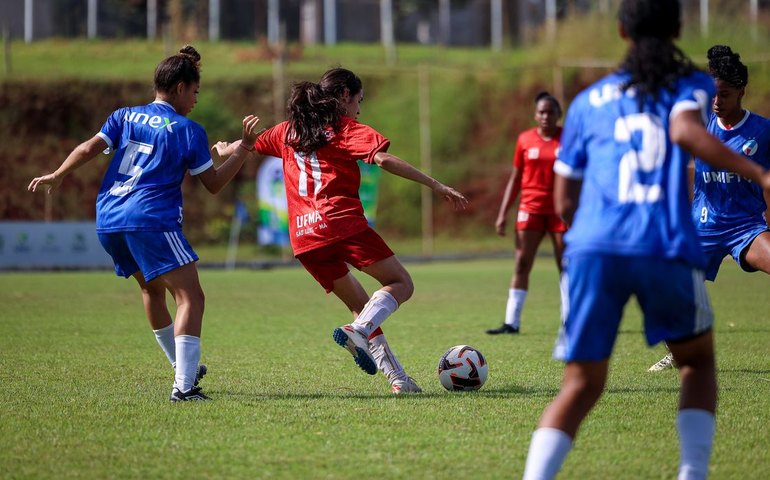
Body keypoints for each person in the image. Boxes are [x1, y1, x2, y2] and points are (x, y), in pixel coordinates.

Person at [521, 1, 770, 479]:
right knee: (696, 364)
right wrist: (757, 171)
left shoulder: (588, 101)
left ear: (620, 31)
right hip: (662, 242)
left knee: (579, 384)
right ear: (678, 28)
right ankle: (691, 473)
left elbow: (564, 201)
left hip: (594, 248)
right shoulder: (689, 86)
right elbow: (683, 129)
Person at [28, 45, 262, 402]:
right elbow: (213, 184)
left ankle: (180, 367)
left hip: (109, 218)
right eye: (195, 91)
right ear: (181, 87)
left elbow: (90, 147)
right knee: (191, 297)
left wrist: (59, 174)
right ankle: (184, 388)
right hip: (149, 218)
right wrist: (245, 148)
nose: (196, 99)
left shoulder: (125, 115)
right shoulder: (187, 129)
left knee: (152, 290)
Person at [213, 68, 468, 395]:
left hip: (304, 238)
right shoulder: (344, 128)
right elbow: (384, 160)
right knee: (400, 283)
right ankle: (359, 330)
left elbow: (249, 143)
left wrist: (226, 149)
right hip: (339, 222)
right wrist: (435, 184)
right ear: (345, 95)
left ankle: (398, 380)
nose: (359, 109)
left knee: (363, 306)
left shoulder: (288, 130)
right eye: (358, 100)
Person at [648, 44, 770, 372]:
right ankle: (679, 351)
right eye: (714, 94)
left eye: (726, 95)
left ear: (742, 92)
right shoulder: (699, 128)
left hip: (747, 226)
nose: (717, 102)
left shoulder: (763, 131)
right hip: (703, 225)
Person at [486, 91, 567, 335]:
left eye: (550, 112)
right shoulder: (525, 139)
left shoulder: (569, 138)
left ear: (558, 115)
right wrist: (503, 213)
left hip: (559, 211)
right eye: (541, 112)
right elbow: (516, 178)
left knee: (566, 264)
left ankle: (570, 320)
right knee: (522, 263)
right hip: (530, 209)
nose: (545, 116)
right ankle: (512, 322)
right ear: (535, 114)